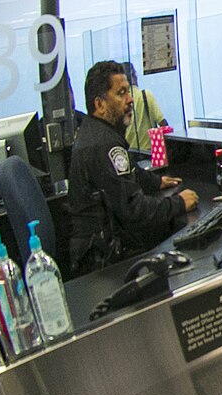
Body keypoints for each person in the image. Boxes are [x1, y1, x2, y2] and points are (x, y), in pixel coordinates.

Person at [67, 61, 199, 275]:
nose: (130, 100)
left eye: (128, 91)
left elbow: (127, 173)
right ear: (100, 105)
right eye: (121, 93)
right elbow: (133, 209)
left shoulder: (98, 133)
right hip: (105, 260)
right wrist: (178, 203)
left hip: (101, 246)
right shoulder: (103, 145)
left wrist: (156, 182)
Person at [121, 61, 166, 154]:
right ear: (134, 76)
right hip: (150, 153)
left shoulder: (120, 101)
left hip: (129, 153)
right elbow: (163, 124)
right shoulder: (146, 95)